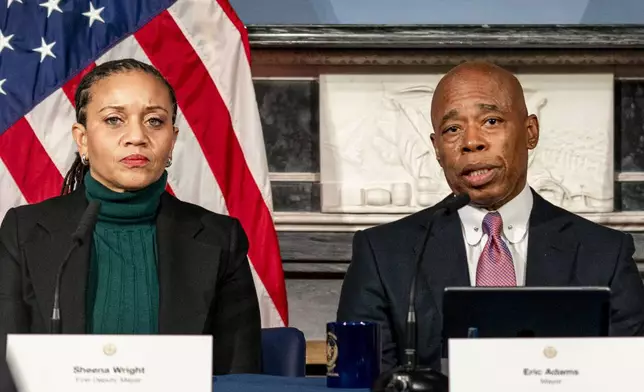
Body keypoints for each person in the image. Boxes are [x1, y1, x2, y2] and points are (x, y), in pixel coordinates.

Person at [337, 61, 644, 372]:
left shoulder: (605, 255)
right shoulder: (382, 254)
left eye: (491, 121)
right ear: (437, 149)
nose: (472, 142)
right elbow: (362, 379)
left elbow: (627, 375)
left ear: (530, 133)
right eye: (452, 129)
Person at [0, 59, 261, 375]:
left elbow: (239, 375)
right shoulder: (24, 231)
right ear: (82, 139)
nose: (136, 136)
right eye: (113, 120)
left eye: (154, 121)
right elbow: (6, 371)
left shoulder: (220, 239)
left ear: (172, 140)